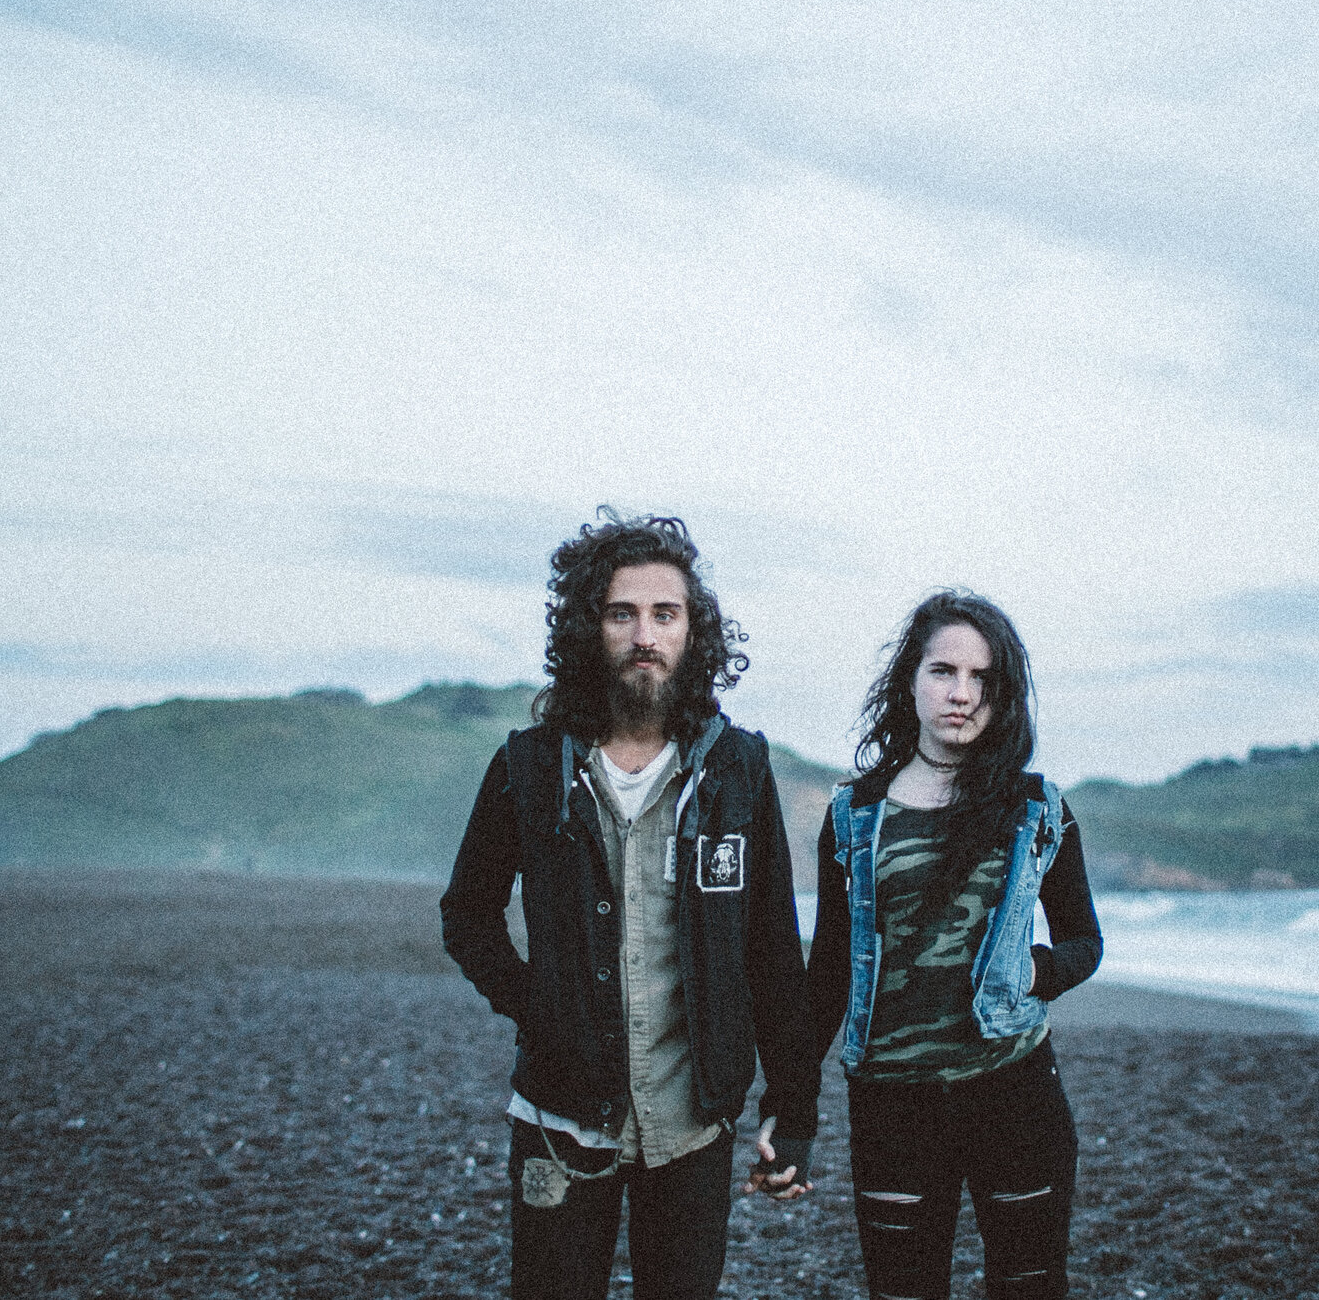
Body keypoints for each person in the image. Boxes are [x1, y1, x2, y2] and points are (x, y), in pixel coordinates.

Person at [441, 512, 818, 1300]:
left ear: (693, 632)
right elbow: (468, 916)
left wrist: (793, 1104)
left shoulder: (738, 769)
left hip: (694, 1123)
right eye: (623, 613)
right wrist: (534, 1006)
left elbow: (773, 951)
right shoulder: (529, 765)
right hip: (558, 1118)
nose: (645, 634)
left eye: (664, 614)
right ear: (592, 628)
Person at [806, 591, 1104, 1300]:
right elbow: (829, 972)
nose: (962, 694)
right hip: (891, 1104)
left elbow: (1084, 940)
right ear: (910, 678)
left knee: (1028, 1286)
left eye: (984, 680)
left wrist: (1039, 972)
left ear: (1004, 696)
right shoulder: (854, 816)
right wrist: (788, 1105)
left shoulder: (1038, 809)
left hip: (1016, 1092)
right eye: (944, 671)